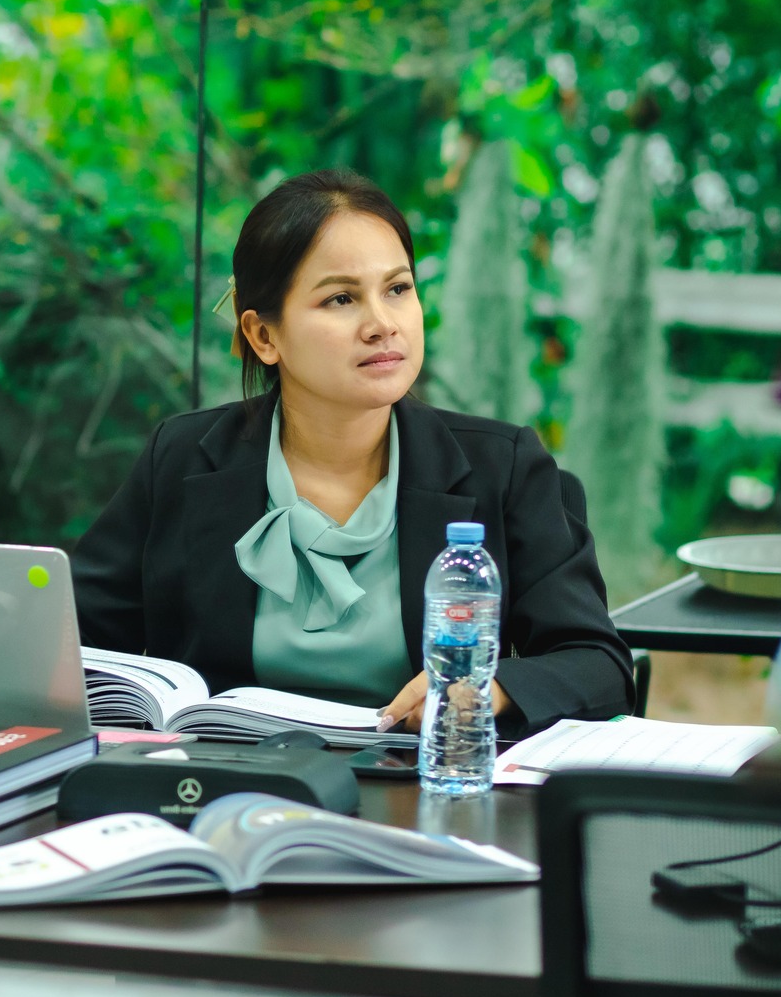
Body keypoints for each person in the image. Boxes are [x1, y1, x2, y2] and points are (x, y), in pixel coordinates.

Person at [72, 168, 633, 735]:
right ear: (265, 336)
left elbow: (598, 664)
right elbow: (72, 636)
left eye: (398, 288)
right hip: (221, 784)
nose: (382, 324)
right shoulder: (185, 457)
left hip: (422, 788)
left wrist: (495, 690)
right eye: (341, 298)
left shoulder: (503, 467)